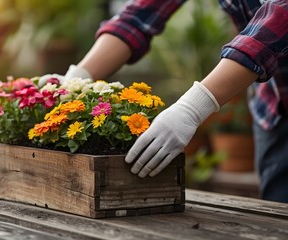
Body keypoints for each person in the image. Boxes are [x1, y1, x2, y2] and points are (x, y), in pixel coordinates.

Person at [62, 0, 288, 203]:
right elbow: (141, 14)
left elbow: (280, 17)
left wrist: (192, 108)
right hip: (274, 106)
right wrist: (77, 77)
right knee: (278, 208)